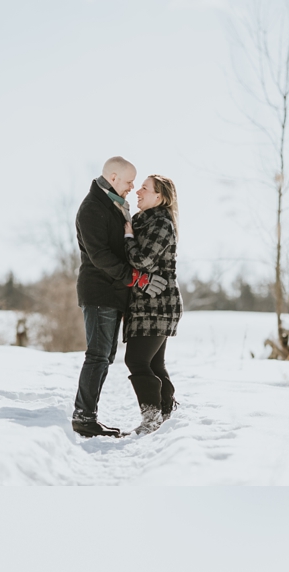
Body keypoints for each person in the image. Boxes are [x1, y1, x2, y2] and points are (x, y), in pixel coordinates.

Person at [71, 157, 143, 438]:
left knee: (105, 356)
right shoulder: (92, 208)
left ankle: (88, 415)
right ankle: (83, 417)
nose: (132, 187)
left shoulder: (113, 205)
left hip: (112, 294)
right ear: (113, 177)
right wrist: (131, 277)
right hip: (99, 291)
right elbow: (99, 256)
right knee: (98, 355)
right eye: (128, 181)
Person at [123, 176, 183, 436]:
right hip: (144, 303)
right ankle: (167, 411)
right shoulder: (142, 222)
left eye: (145, 188)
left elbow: (143, 260)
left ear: (159, 197)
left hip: (159, 303)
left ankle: (152, 416)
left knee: (136, 360)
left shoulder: (161, 223)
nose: (138, 191)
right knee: (154, 363)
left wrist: (127, 236)